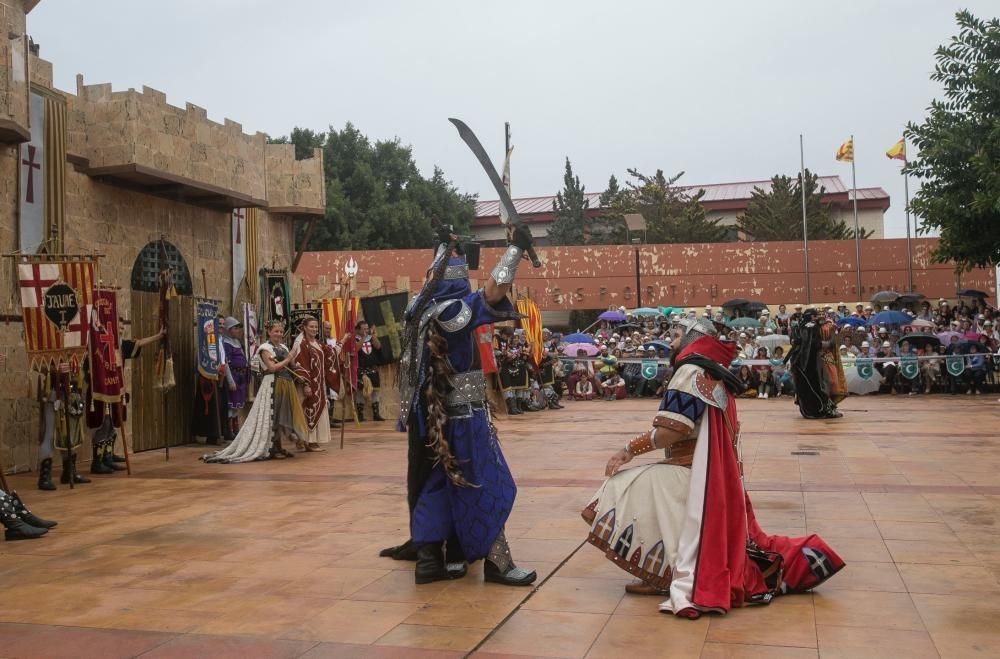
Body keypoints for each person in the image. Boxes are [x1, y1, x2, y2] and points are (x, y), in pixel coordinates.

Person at [583, 316, 844, 617]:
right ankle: (668, 566)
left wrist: (628, 450)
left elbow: (674, 430)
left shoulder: (689, 371)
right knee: (650, 485)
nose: (672, 341)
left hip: (693, 475)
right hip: (709, 476)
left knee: (620, 488)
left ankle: (662, 573)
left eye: (678, 334)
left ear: (694, 337)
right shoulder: (710, 371)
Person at [382, 227, 537, 587]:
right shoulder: (452, 309)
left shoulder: (417, 312)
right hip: (463, 418)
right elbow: (494, 291)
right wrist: (515, 249)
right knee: (487, 483)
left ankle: (433, 560)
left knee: (436, 484)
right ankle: (498, 563)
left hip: (431, 420)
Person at [203, 321, 305, 463]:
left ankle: (279, 446)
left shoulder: (283, 347)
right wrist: (288, 359)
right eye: (276, 331)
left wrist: (297, 364)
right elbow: (272, 367)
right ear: (269, 332)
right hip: (273, 383)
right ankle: (271, 448)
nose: (279, 334)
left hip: (286, 384)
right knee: (272, 416)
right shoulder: (265, 348)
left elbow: (292, 364)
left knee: (282, 415)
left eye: (281, 332)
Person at [293, 316, 342, 451]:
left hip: (319, 385)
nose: (314, 329)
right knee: (307, 410)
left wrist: (343, 342)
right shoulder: (301, 344)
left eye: (315, 327)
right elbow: (300, 365)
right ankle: (307, 440)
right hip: (308, 384)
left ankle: (308, 440)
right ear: (304, 328)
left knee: (316, 409)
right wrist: (305, 384)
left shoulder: (318, 343)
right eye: (311, 326)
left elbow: (330, 354)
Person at [785, 309, 842, 419]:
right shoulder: (813, 327)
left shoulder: (799, 326)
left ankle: (808, 411)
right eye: (816, 316)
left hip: (798, 362)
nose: (817, 318)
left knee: (803, 388)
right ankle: (821, 410)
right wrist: (829, 343)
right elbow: (814, 344)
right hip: (811, 363)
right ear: (812, 317)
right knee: (818, 386)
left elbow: (796, 343)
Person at [219, 317, 249, 441]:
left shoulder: (237, 342)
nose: (238, 330)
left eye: (238, 328)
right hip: (233, 376)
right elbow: (226, 363)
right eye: (235, 328)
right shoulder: (226, 344)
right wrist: (230, 380)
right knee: (231, 405)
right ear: (228, 330)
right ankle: (229, 431)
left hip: (241, 377)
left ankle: (236, 429)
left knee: (237, 405)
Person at [350, 320, 384, 421]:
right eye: (363, 329)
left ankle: (376, 414)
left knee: (376, 390)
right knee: (360, 391)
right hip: (361, 369)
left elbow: (378, 346)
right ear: (358, 330)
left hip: (373, 368)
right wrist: (364, 338)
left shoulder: (371, 338)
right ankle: (360, 415)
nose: (366, 330)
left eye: (367, 328)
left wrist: (373, 335)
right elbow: (355, 349)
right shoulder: (355, 339)